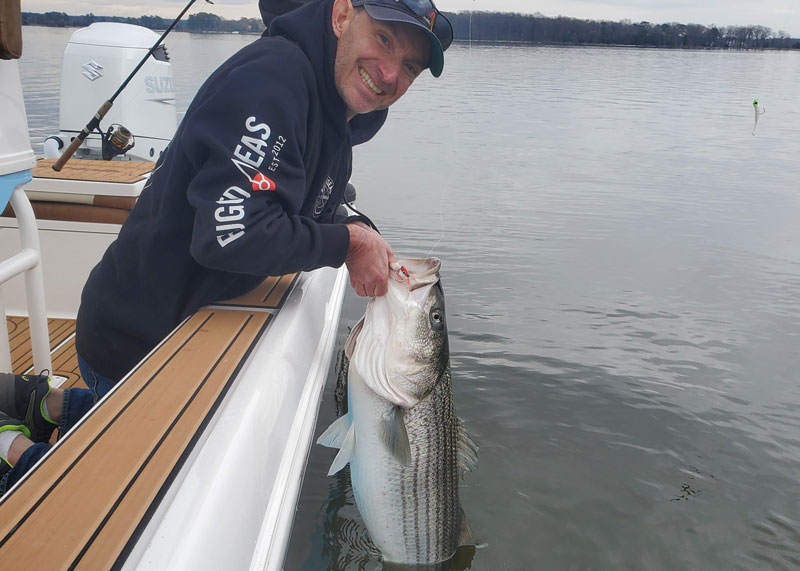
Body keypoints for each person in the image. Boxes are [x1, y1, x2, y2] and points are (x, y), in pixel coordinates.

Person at [0, 0, 453, 495]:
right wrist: (346, 243)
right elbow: (230, 234)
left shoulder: (333, 106)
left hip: (178, 319)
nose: (389, 74)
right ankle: (13, 449)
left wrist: (356, 231)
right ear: (342, 15)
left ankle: (46, 404)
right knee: (115, 492)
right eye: (384, 39)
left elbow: (301, 204)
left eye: (410, 66)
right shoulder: (273, 82)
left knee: (144, 438)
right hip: (136, 339)